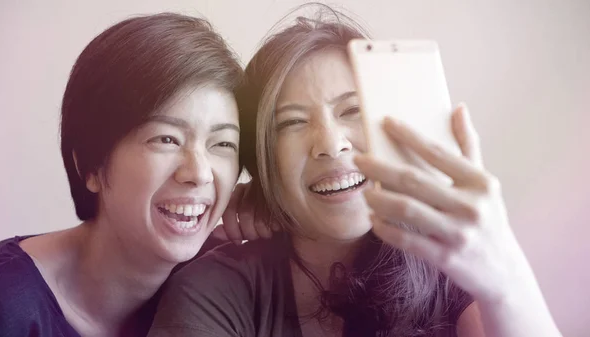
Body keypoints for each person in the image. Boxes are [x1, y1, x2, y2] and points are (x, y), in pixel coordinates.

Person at [148, 6, 562, 337]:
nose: (330, 143)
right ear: (263, 158)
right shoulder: (216, 291)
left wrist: (506, 279)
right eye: (292, 122)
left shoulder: (455, 270)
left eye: (353, 110)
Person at [0, 13, 247, 336]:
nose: (198, 173)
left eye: (222, 143)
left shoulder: (225, 282)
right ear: (91, 165)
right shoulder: (4, 304)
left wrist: (283, 222)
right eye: (166, 139)